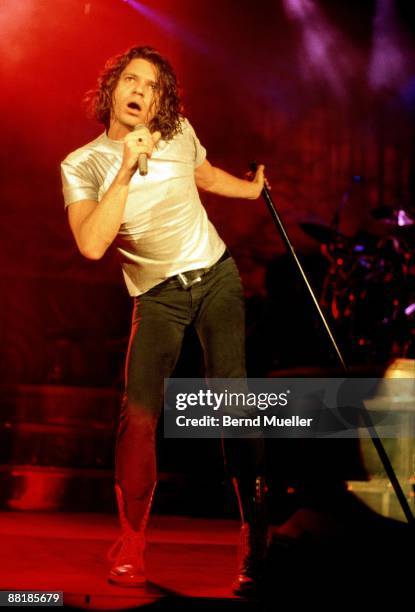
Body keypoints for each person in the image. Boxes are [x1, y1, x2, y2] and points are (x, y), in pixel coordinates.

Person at [61, 45, 267, 596]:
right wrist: (125, 167)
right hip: (156, 296)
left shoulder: (179, 133)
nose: (141, 92)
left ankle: (254, 536)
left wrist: (249, 189)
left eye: (153, 87)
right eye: (133, 80)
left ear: (161, 102)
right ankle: (131, 542)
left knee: (233, 404)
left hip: (215, 277)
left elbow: (203, 175)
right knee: (139, 417)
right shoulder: (83, 164)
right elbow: (92, 243)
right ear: (112, 89)